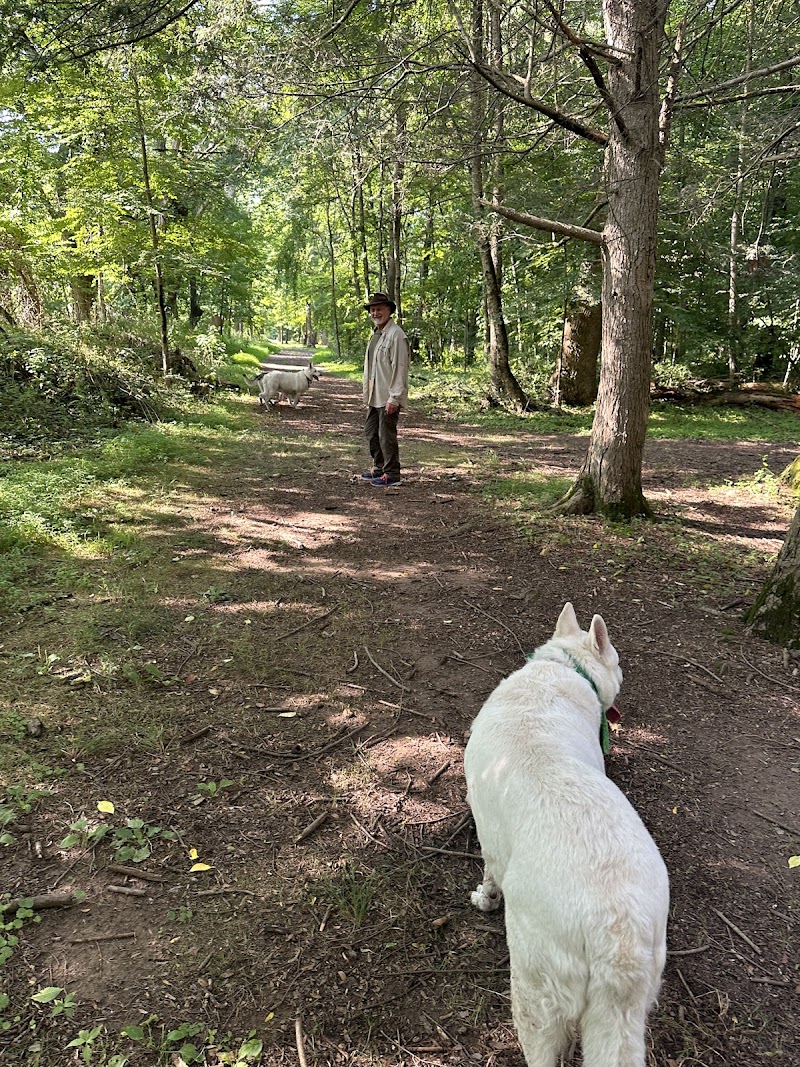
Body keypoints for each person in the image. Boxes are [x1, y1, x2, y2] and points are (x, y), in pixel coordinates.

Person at [360, 292, 410, 488]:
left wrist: (395, 397)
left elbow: (400, 367)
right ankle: (379, 468)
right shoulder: (377, 334)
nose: (375, 312)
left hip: (388, 395)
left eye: (379, 309)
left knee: (386, 435)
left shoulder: (396, 335)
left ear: (389, 310)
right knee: (371, 433)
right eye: (372, 309)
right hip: (375, 394)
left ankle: (392, 474)